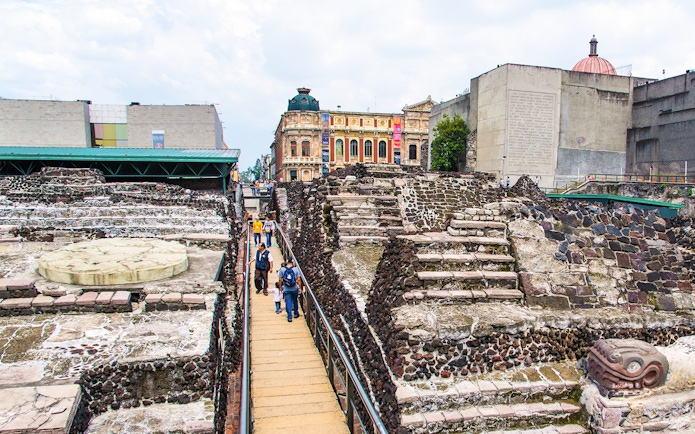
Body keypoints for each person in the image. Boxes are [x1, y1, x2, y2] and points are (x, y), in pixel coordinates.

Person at [278, 258, 301, 322]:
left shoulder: (282, 269)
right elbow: (298, 279)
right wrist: (299, 287)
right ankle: (296, 313)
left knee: (288, 302)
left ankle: (289, 316)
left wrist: (280, 287)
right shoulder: (295, 269)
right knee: (295, 300)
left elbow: (280, 279)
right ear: (292, 262)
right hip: (294, 288)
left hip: (286, 289)